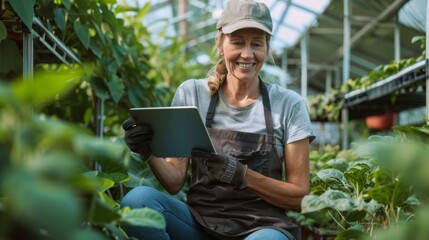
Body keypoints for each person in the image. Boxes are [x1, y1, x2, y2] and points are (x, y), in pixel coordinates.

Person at [121, 0, 315, 239]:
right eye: (237, 42)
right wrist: (147, 150)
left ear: (266, 48)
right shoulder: (192, 94)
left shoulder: (288, 104)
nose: (247, 54)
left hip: (264, 228)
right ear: (220, 43)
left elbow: (301, 197)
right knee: (137, 202)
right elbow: (173, 182)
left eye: (257, 44)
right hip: (199, 225)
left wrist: (243, 176)